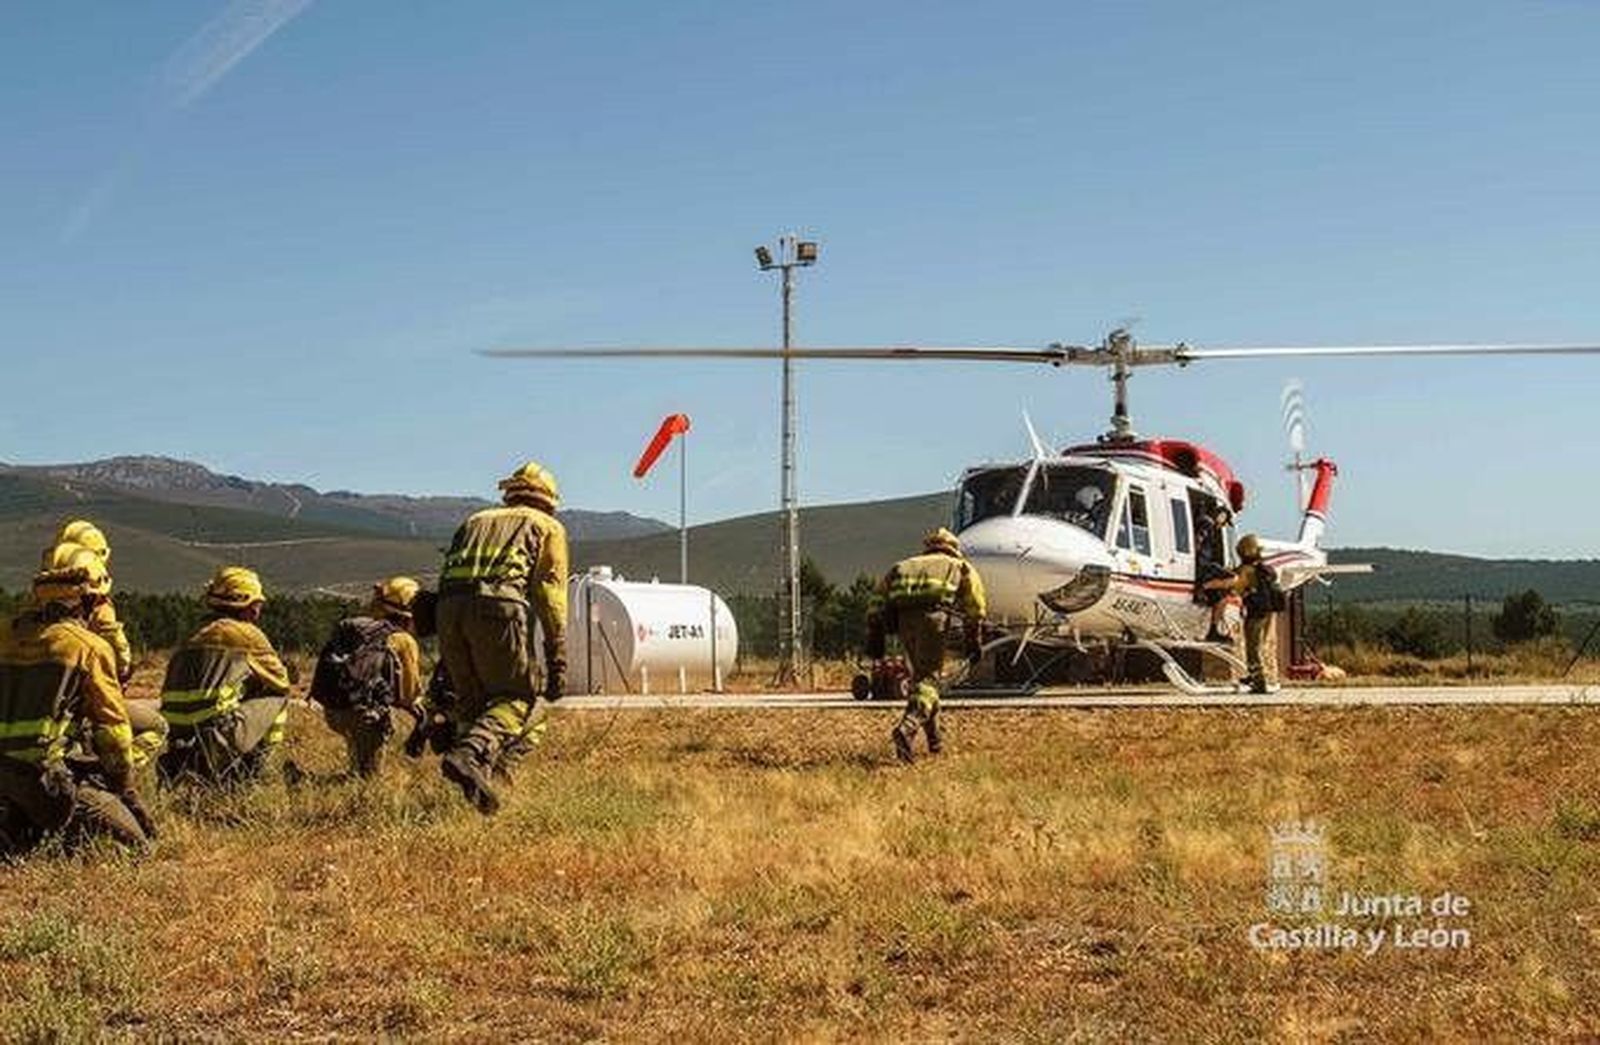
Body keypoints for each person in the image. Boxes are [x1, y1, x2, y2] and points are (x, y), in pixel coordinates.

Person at [0, 547, 156, 853]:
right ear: (89, 599)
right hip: (46, 785)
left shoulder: (4, 635)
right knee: (140, 847)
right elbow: (113, 733)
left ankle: (17, 828)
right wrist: (126, 792)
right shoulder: (87, 648)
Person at [434, 462, 569, 814]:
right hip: (497, 607)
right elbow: (549, 594)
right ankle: (470, 755)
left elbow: (448, 573)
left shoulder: (474, 520)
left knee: (473, 702)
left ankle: (478, 791)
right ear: (549, 501)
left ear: (510, 493)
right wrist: (557, 655)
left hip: (447, 610)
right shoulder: (545, 524)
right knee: (517, 697)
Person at [44, 531, 169, 768]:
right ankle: (109, 775)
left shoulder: (26, 612)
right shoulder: (97, 606)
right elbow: (118, 654)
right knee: (154, 726)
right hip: (83, 694)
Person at [157, 567, 292, 784]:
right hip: (214, 731)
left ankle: (189, 764)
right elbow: (281, 682)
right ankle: (253, 770)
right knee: (277, 697)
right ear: (250, 606)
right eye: (258, 604)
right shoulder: (246, 634)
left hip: (176, 732)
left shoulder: (196, 630)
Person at [878, 527, 988, 763]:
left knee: (922, 680)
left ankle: (935, 741)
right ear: (953, 548)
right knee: (929, 679)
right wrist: (974, 640)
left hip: (903, 623)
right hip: (934, 620)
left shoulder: (903, 565)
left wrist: (878, 630)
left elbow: (878, 598)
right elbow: (975, 606)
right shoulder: (959, 566)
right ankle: (907, 727)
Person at [310, 576, 425, 778]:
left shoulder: (357, 627)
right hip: (365, 716)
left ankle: (350, 772)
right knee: (369, 779)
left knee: (360, 757)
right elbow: (408, 695)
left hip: (332, 709)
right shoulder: (403, 641)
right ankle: (323, 781)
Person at [1205, 533, 1280, 693]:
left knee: (1252, 648)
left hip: (1255, 613)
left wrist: (1211, 585)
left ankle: (1259, 682)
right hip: (1265, 611)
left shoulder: (1246, 571)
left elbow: (1234, 587)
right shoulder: (1263, 569)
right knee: (1255, 646)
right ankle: (1253, 676)